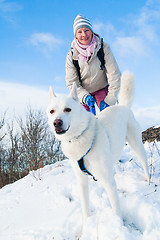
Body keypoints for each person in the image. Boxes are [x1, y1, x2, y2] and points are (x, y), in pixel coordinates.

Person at [65, 14, 121, 113]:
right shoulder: (71, 55)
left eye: (86, 30)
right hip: (83, 93)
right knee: (86, 123)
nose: (84, 35)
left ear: (91, 31)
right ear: (76, 36)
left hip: (102, 89)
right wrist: (84, 97)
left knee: (109, 117)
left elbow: (114, 75)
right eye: (79, 32)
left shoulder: (103, 48)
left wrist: (110, 100)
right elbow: (72, 83)